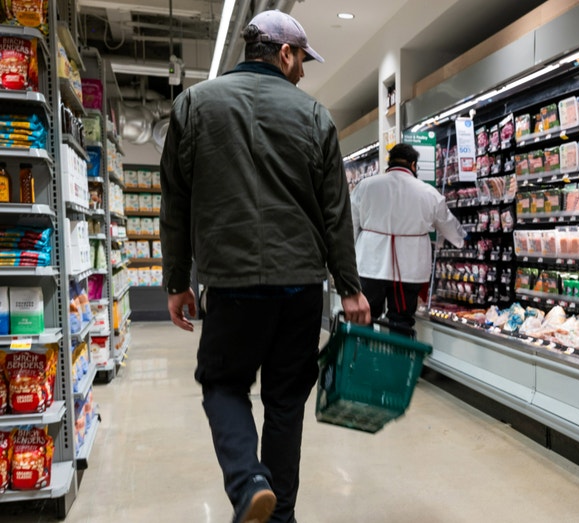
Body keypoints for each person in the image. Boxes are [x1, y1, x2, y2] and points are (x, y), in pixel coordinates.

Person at [159, 10, 370, 523]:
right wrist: (349, 287)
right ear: (284, 53)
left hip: (230, 281)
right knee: (285, 399)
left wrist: (176, 282)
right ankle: (281, 516)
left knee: (223, 384)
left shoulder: (193, 105)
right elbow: (335, 211)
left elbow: (175, 202)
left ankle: (249, 481)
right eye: (302, 61)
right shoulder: (315, 116)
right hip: (300, 284)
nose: (303, 74)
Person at [351, 143, 466, 330]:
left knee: (366, 316)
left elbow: (351, 225)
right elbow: (448, 224)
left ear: (389, 162)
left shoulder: (365, 186)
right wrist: (461, 240)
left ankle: (364, 357)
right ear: (413, 165)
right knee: (401, 321)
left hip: (370, 265)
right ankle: (399, 358)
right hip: (408, 269)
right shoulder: (428, 193)